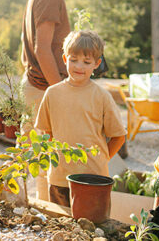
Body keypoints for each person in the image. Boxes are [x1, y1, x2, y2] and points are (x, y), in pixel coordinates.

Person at [34, 31, 126, 206]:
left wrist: (100, 160)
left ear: (97, 64)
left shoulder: (102, 96)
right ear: (64, 59)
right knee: (63, 226)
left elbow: (118, 137)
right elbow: (47, 133)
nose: (79, 66)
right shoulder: (52, 93)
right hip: (59, 178)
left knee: (93, 228)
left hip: (93, 178)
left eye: (87, 62)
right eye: (73, 59)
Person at [21, 0, 89, 130]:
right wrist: (61, 92)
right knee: (35, 156)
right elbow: (41, 49)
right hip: (42, 91)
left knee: (34, 155)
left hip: (39, 88)